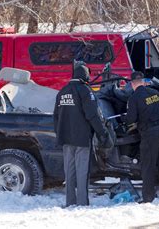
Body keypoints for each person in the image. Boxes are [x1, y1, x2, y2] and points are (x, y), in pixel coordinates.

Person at [53, 60, 111, 207]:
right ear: (85, 76)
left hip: (66, 139)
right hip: (82, 138)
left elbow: (56, 116)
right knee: (82, 172)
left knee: (69, 173)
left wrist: (59, 133)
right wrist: (102, 133)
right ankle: (82, 203)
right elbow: (93, 115)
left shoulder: (62, 92)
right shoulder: (85, 91)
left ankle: (70, 202)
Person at [126, 71, 159, 203]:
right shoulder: (155, 93)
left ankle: (148, 197)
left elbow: (131, 119)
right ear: (143, 81)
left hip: (151, 133)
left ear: (132, 84)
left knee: (148, 165)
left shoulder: (134, 98)